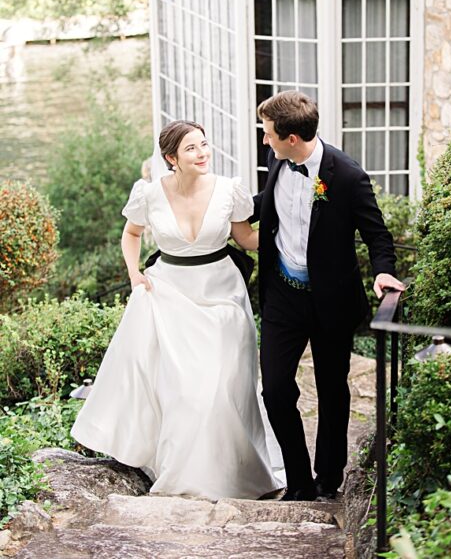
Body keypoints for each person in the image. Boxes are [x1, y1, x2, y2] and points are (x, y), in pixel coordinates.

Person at [72, 121, 279, 500]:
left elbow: (246, 238)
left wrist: (293, 237)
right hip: (168, 295)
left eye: (204, 144)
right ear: (171, 158)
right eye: (191, 149)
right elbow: (131, 233)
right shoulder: (149, 194)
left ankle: (236, 474)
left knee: (223, 386)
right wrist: (134, 274)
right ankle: (187, 474)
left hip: (223, 296)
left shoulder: (229, 190)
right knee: (186, 392)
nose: (202, 153)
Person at [254, 90, 405, 502]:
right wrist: (218, 210)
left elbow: (377, 234)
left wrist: (384, 272)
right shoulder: (277, 158)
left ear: (292, 139)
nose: (264, 139)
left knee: (332, 390)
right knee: (276, 390)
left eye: (268, 133)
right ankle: (299, 482)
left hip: (331, 301)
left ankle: (327, 479)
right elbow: (269, 203)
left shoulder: (349, 176)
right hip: (283, 296)